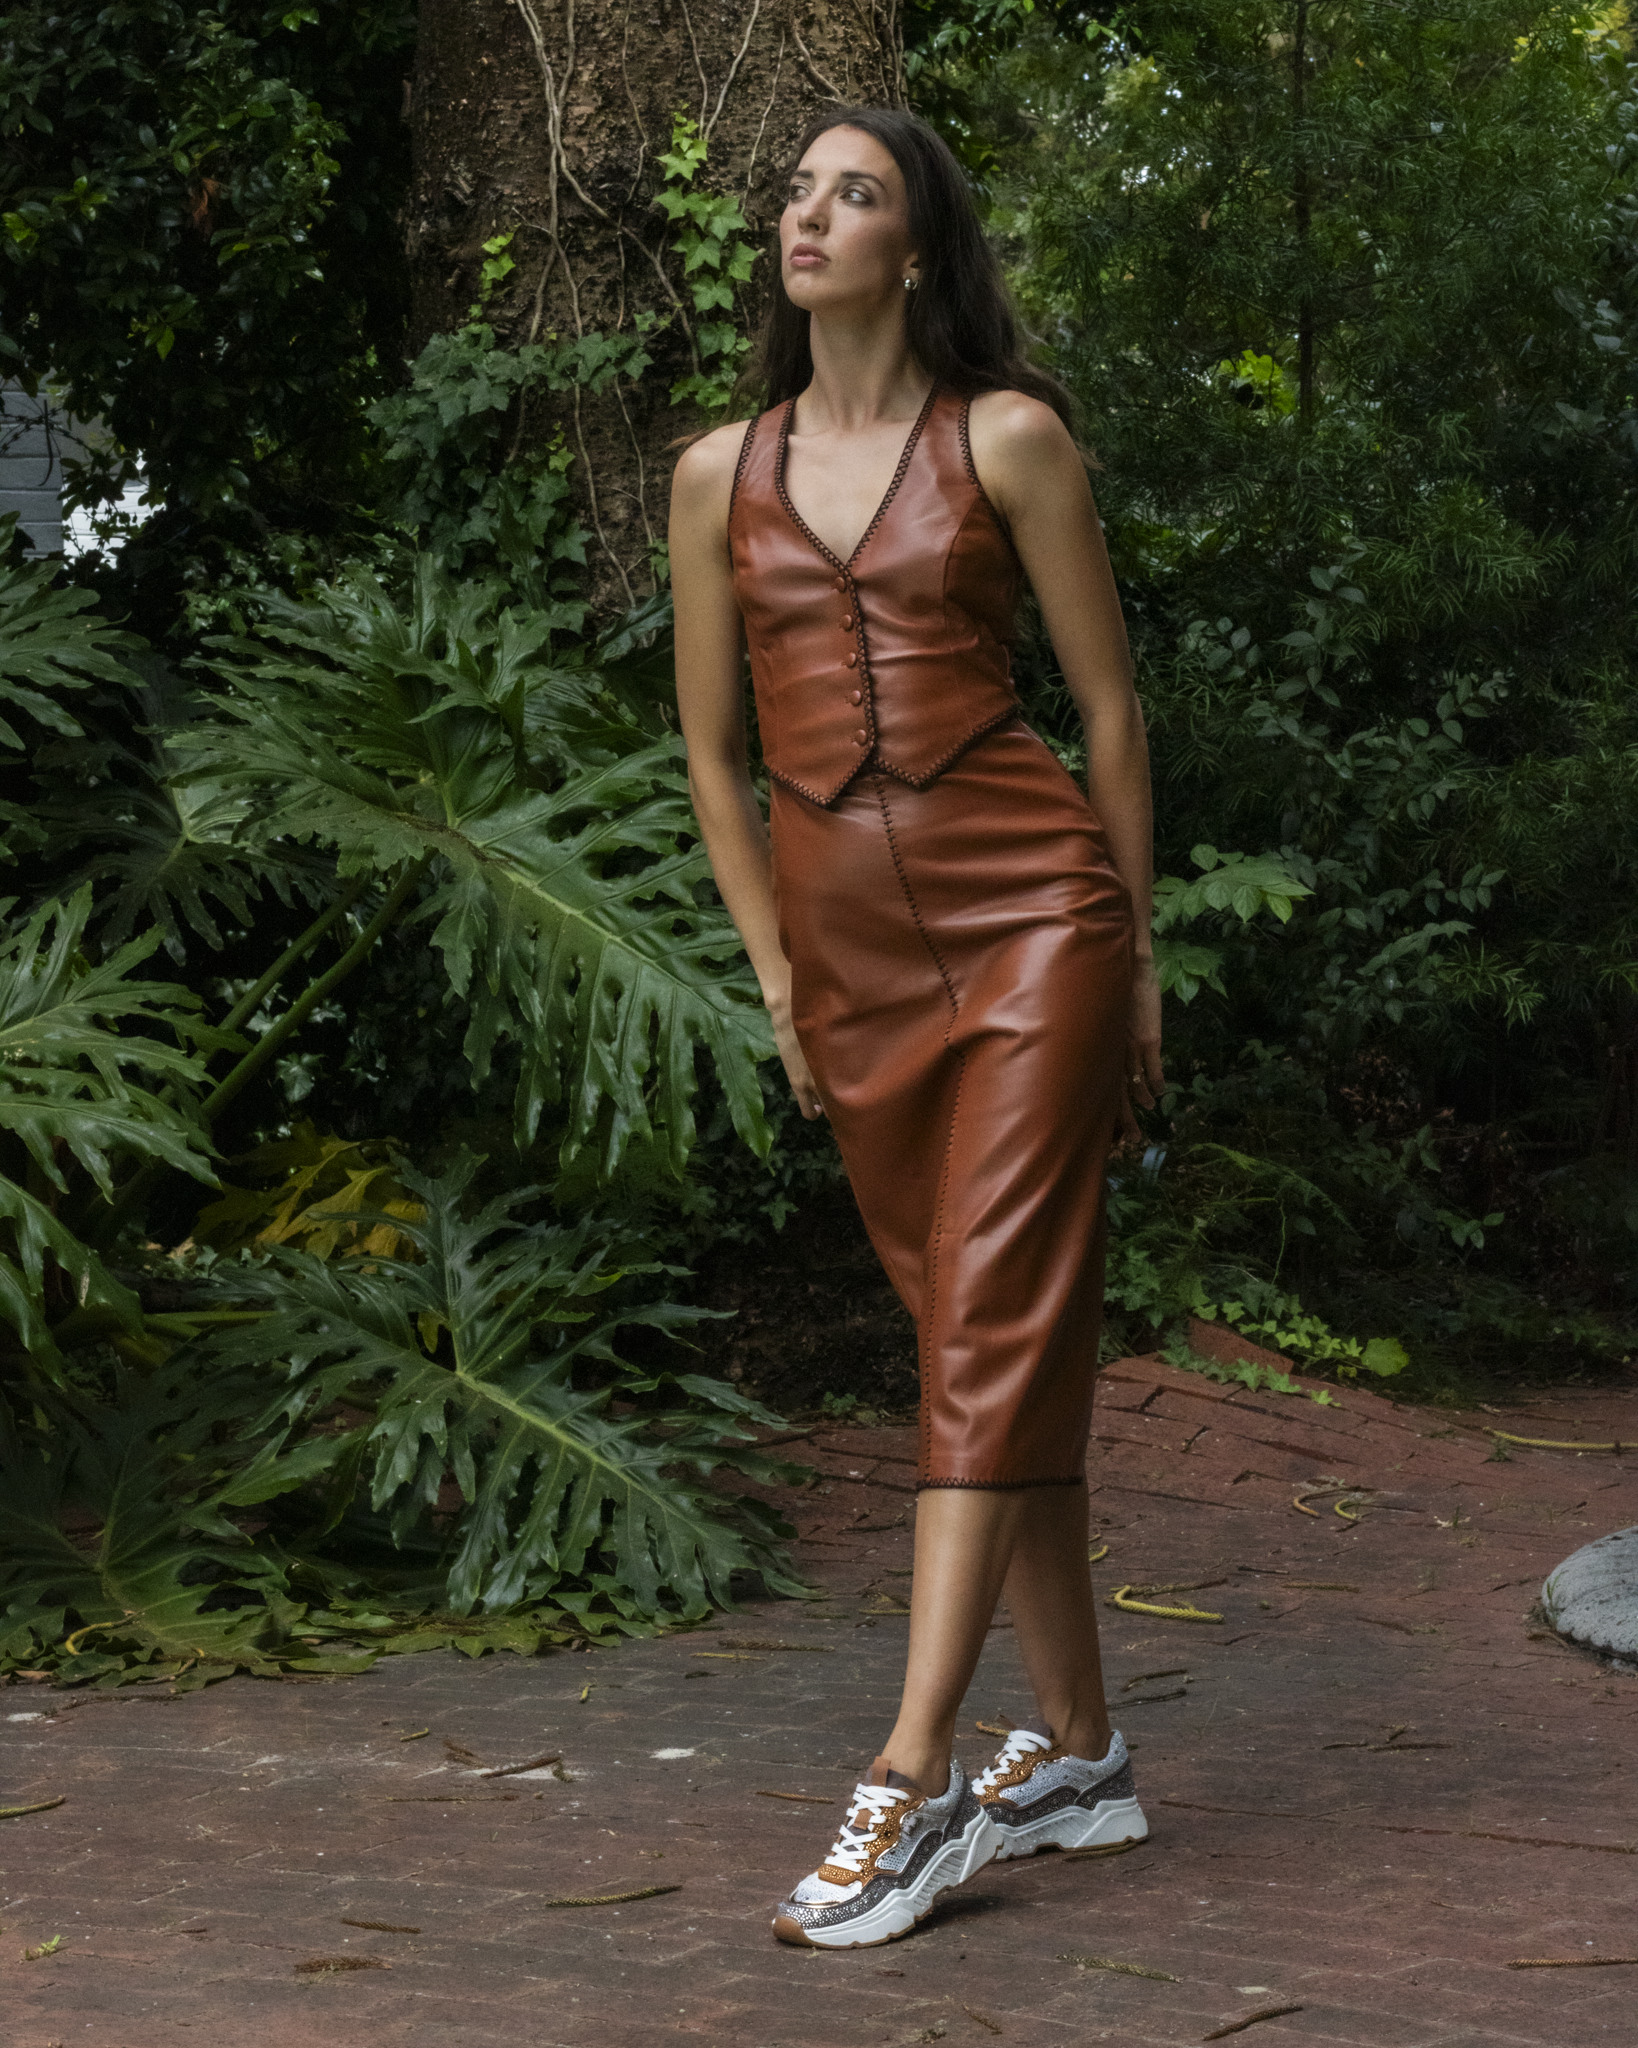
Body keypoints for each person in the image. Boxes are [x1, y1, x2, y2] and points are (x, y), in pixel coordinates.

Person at [669, 105, 1164, 1951]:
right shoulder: (716, 471)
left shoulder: (1007, 438)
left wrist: (1135, 959)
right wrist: (776, 975)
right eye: (798, 192)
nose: (807, 216)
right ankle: (1085, 1755)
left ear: (918, 247)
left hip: (1032, 915)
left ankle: (915, 1775)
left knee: (982, 1335)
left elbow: (1107, 715)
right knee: (980, 1340)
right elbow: (711, 753)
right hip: (849, 956)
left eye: (853, 194)